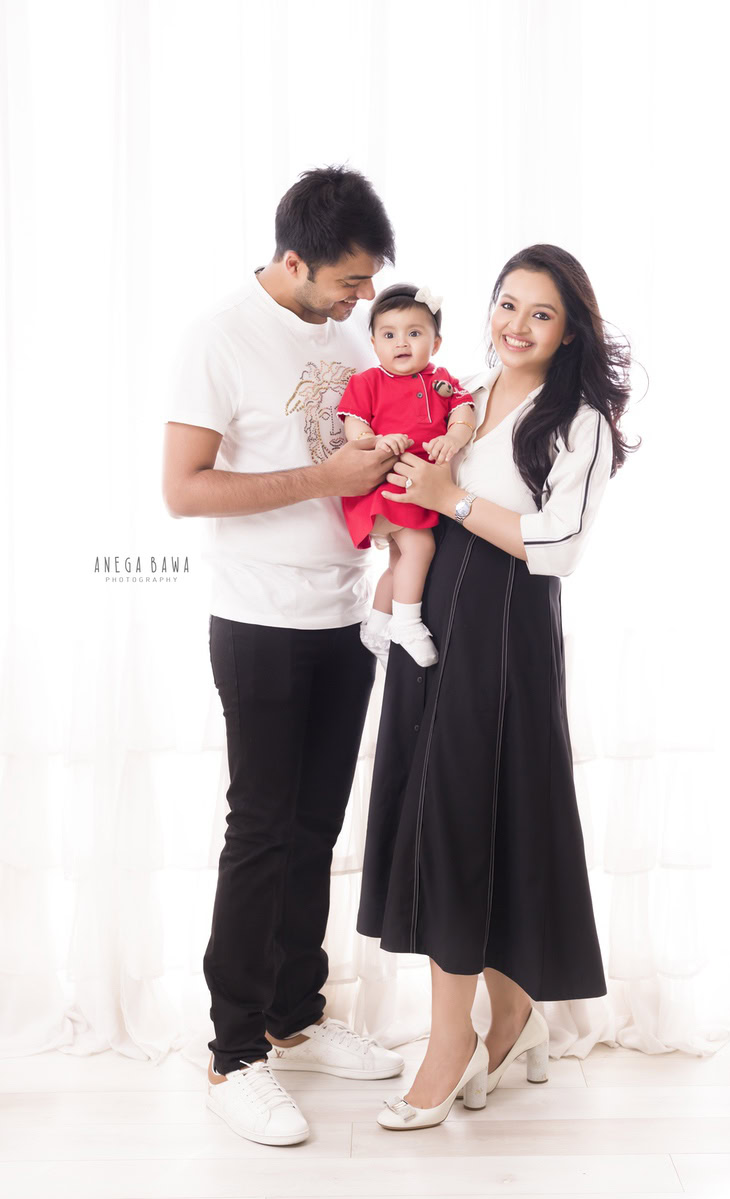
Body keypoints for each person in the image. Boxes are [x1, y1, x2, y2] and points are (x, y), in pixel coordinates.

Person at [355, 244, 638, 1131]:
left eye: (540, 313)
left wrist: (449, 496)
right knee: (466, 804)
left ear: (569, 329)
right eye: (506, 304)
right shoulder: (472, 393)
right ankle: (512, 1018)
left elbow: (557, 545)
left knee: (471, 809)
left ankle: (459, 1038)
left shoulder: (577, 415)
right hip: (440, 607)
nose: (515, 325)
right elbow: (424, 496)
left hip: (506, 619)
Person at [162, 166, 406, 1148]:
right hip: (257, 621)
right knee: (260, 831)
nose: (361, 301)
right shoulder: (216, 335)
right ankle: (231, 1052)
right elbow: (183, 490)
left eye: (367, 283)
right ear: (293, 259)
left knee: (314, 827)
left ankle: (292, 1015)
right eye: (348, 280)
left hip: (341, 618)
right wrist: (324, 474)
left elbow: (348, 473)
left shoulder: (346, 335)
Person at [337, 283, 475, 668]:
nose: (402, 343)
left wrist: (454, 435)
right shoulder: (367, 382)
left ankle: (376, 625)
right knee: (421, 548)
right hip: (389, 487)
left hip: (420, 488)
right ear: (374, 342)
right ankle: (408, 624)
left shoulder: (440, 379)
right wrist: (378, 440)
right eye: (389, 334)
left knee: (400, 563)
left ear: (436, 342)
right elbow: (356, 428)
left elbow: (464, 410)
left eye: (415, 333)